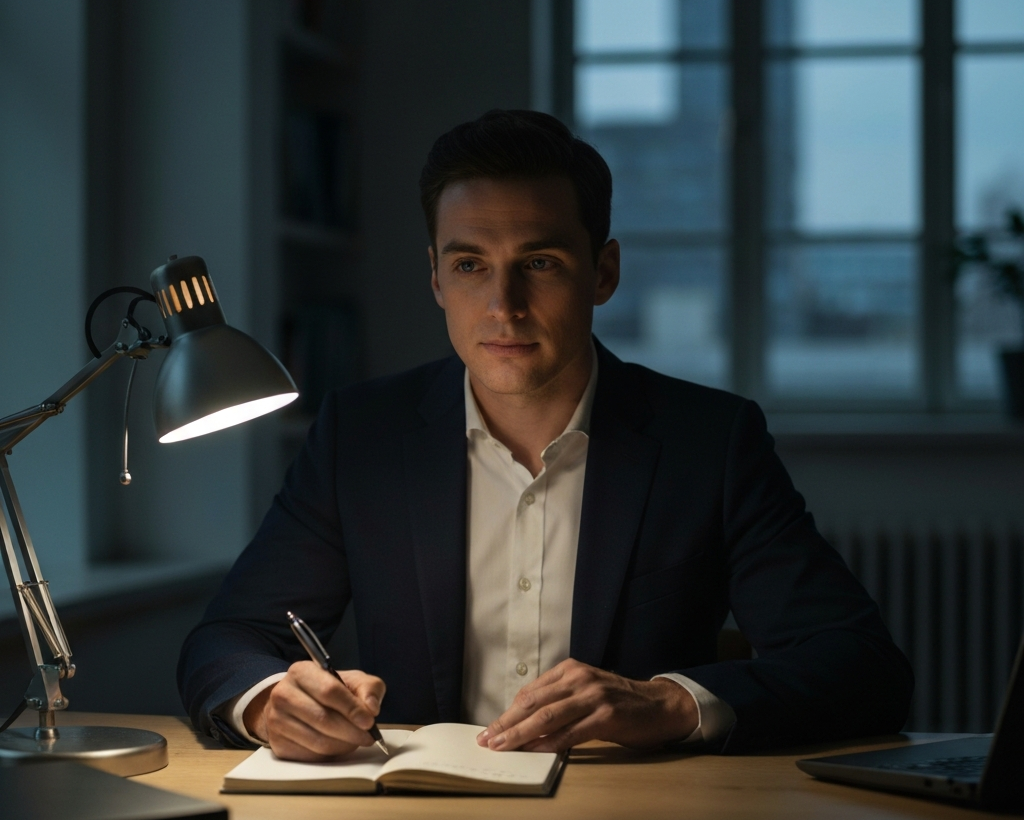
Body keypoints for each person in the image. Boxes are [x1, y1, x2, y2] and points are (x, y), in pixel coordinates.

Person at [178, 109, 913, 760]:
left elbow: (859, 666)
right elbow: (224, 643)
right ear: (435, 278)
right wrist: (272, 700)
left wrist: (669, 703)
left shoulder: (710, 442)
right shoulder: (361, 436)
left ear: (604, 271)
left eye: (540, 263)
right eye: (470, 265)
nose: (504, 306)